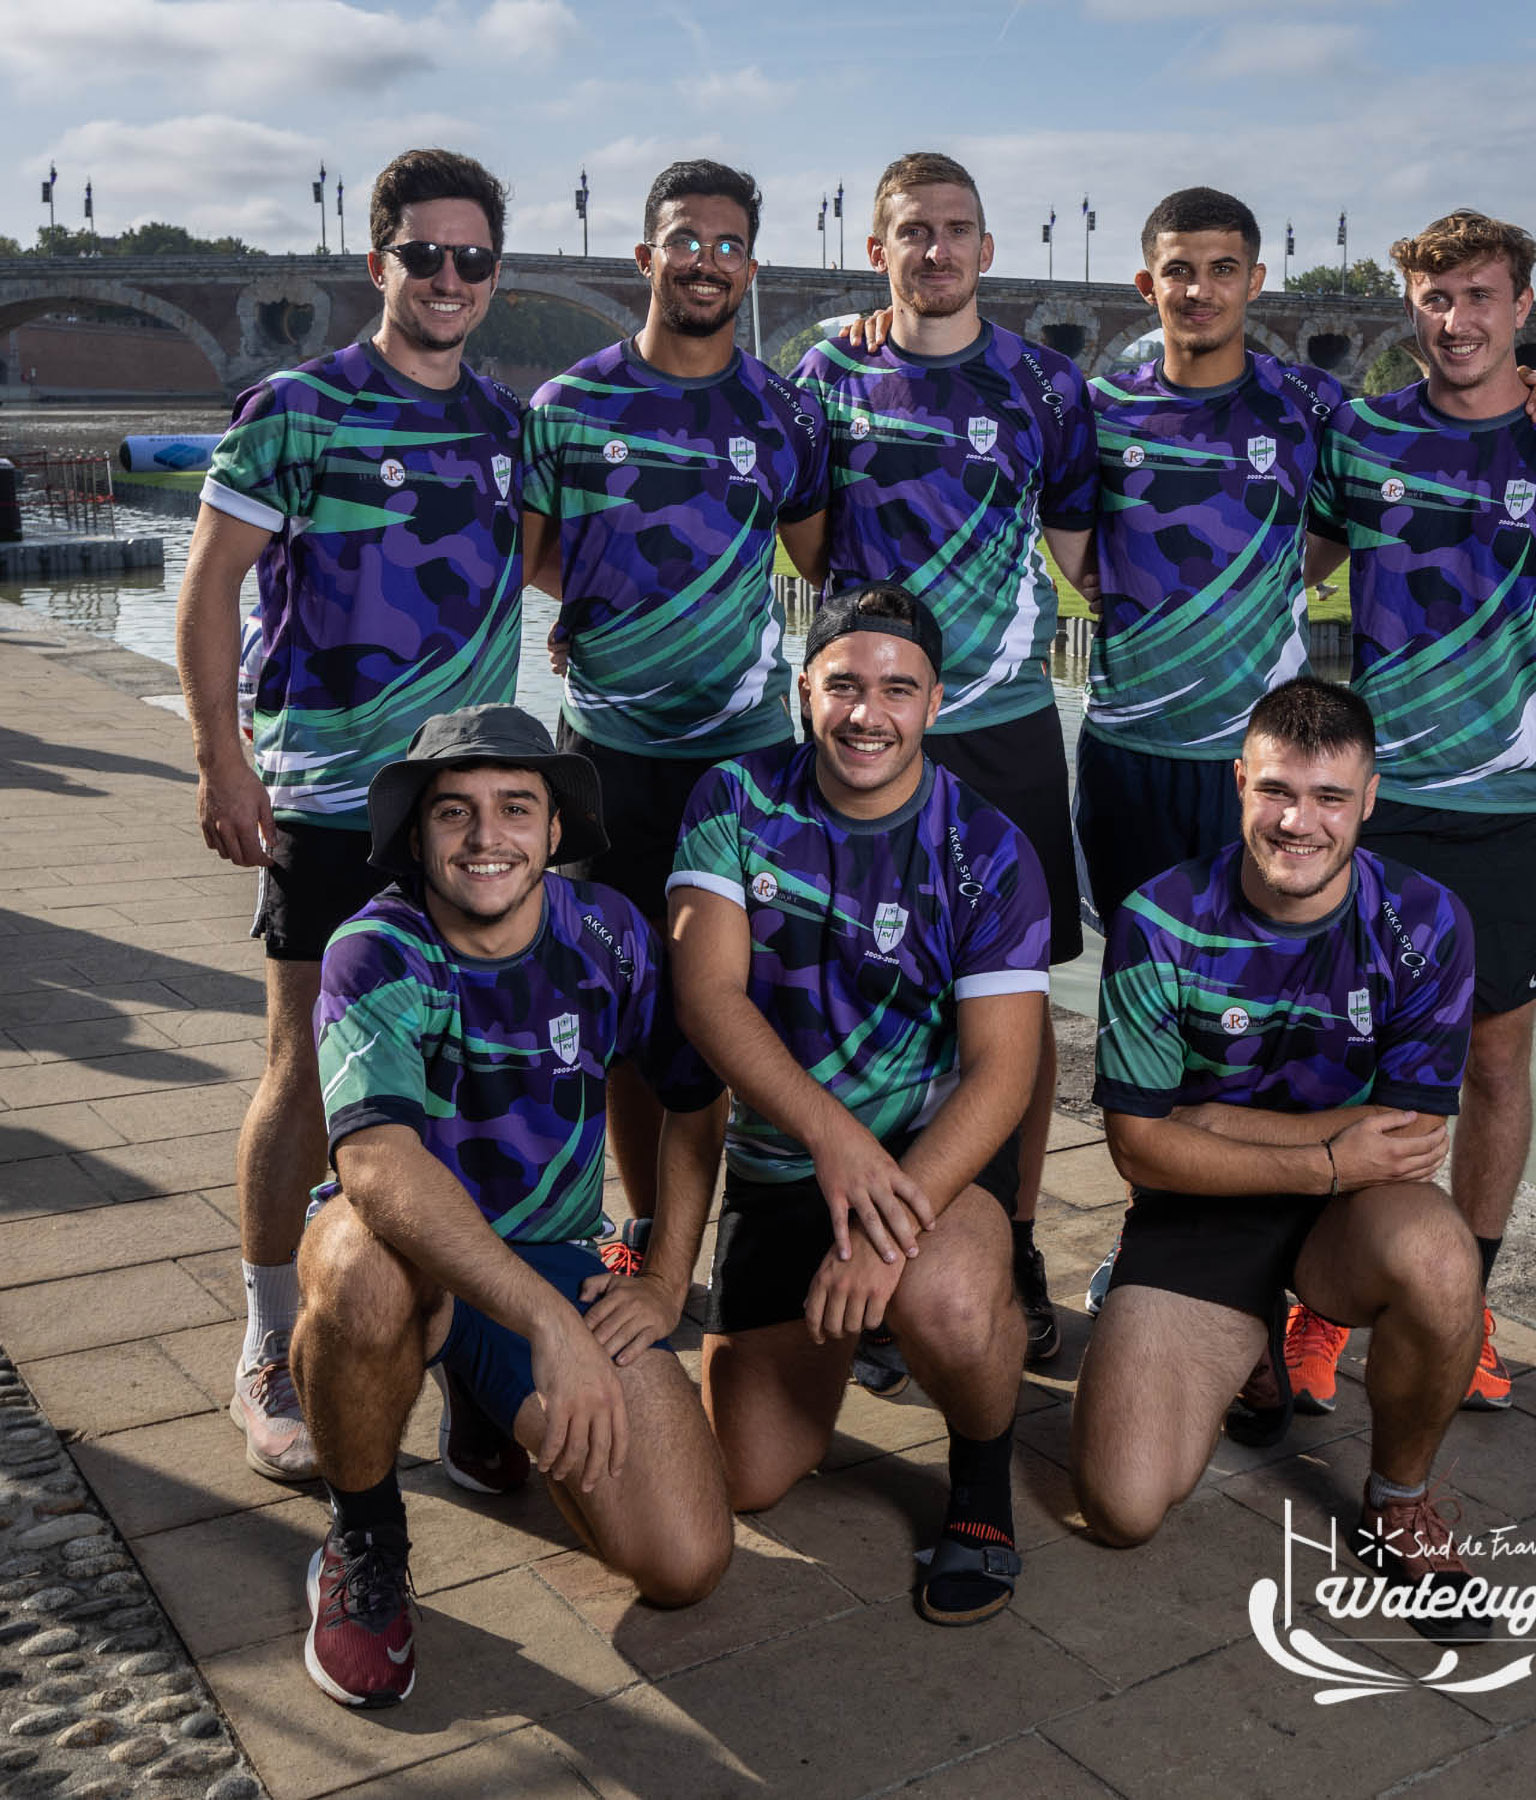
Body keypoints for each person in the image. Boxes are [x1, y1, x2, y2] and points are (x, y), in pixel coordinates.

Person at [1078, 187, 1536, 1316]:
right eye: (1176, 268)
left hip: (1303, 775)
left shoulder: (1316, 406)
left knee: (1320, 1026)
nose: (1198, 287)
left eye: (1222, 267)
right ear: (1143, 283)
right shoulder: (1096, 402)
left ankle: (1346, 1281)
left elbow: (1335, 530)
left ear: (1257, 282)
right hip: (1135, 754)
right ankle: (1168, 1243)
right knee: (1166, 1012)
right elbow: (1075, 539)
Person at [174, 148, 527, 1483]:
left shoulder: (505, 422)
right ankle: (268, 1342)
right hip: (329, 802)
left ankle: (466, 1349)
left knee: (458, 1077)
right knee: (304, 1075)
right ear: (378, 262)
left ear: (493, 271)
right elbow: (209, 593)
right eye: (422, 254)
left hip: (467, 808)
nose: (447, 277)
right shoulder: (295, 409)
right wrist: (221, 761)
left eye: (472, 258)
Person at [291, 705, 732, 1707]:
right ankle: (364, 1541)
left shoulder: (611, 935)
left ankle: (486, 1400)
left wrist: (663, 1281)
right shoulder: (375, 948)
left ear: (556, 829)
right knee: (359, 1269)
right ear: (416, 834)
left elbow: (698, 1104)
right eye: (454, 812)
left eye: (515, 808)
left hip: (549, 1252)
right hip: (407, 1254)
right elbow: (376, 1161)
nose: (486, 837)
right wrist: (549, 1326)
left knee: (685, 1560)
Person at [1298, 210, 1536, 1417]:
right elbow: (1274, 563)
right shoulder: (1361, 436)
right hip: (1375, 809)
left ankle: (1470, 1303)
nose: (1457, 321)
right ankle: (1320, 1301)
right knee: (1347, 1056)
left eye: (1481, 297)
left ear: (1522, 308)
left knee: (1495, 1064)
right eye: (1437, 298)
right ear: (1412, 307)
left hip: (1516, 814)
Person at [1070, 677, 1491, 1638]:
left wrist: (1209, 1120)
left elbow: (1412, 1141)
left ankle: (1398, 1499)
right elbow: (1140, 1147)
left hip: (1350, 1215)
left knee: (1438, 1257)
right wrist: (1325, 1154)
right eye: (1276, 793)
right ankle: (1250, 1337)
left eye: (1330, 798)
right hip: (1201, 1209)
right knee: (1120, 1508)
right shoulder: (1159, 919)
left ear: (1370, 799)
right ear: (1239, 783)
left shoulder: (1426, 923)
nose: (1300, 822)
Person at [666, 584, 1050, 1625]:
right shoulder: (735, 799)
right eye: (843, 684)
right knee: (745, 1479)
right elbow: (708, 996)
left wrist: (890, 1230)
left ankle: (978, 1480)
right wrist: (831, 1140)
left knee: (949, 1304)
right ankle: (852, 1330)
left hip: (931, 1158)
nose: (866, 713)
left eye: (896, 689)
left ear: (936, 702)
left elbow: (1004, 1073)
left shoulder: (989, 847)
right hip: (790, 1163)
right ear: (805, 689)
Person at [790, 150, 1098, 1370]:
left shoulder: (1045, 384)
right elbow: (808, 545)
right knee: (859, 990)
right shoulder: (829, 369)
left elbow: (1084, 547)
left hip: (1005, 727)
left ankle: (1011, 1241)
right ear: (880, 250)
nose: (937, 250)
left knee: (1012, 1007)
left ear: (987, 247)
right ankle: (866, 1242)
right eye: (914, 231)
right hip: (870, 726)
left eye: (958, 230)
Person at [522, 160, 827, 1248]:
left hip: (742, 758)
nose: (707, 262)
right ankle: (647, 1229)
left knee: (725, 1008)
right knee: (617, 1005)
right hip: (607, 753)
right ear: (644, 258)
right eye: (686, 241)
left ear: (751, 264)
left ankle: (726, 1224)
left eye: (729, 244)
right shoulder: (569, 406)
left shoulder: (784, 410)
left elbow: (815, 560)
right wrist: (614, 610)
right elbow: (540, 558)